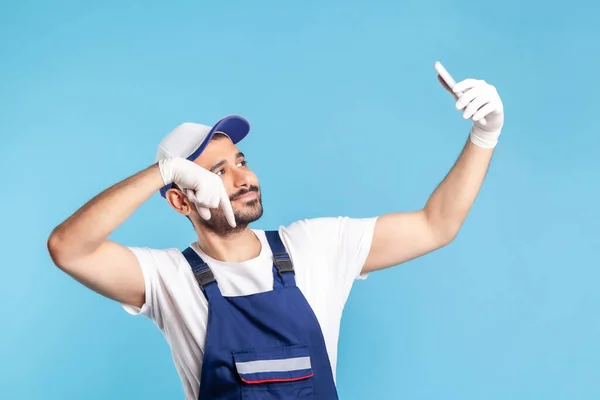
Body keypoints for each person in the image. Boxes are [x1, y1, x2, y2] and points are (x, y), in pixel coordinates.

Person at [47, 66, 504, 399]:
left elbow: (436, 225)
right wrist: (163, 170)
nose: (243, 178)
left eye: (241, 161)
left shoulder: (316, 246)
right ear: (180, 200)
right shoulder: (166, 279)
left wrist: (484, 135)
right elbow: (68, 248)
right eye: (217, 171)